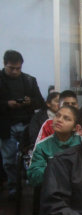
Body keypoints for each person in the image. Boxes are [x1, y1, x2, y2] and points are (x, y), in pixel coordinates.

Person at [0, 50, 45, 197]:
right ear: (4, 64)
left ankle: (30, 183)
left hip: (27, 124)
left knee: (30, 157)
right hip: (6, 125)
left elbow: (40, 102)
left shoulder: (29, 80)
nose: (15, 71)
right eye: (11, 68)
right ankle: (13, 188)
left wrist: (29, 102)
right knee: (9, 160)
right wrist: (8, 104)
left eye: (18, 68)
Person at [28, 105, 81, 187]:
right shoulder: (43, 146)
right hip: (51, 189)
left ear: (75, 127)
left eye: (66, 118)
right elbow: (34, 176)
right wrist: (58, 172)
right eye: (57, 115)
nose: (59, 120)